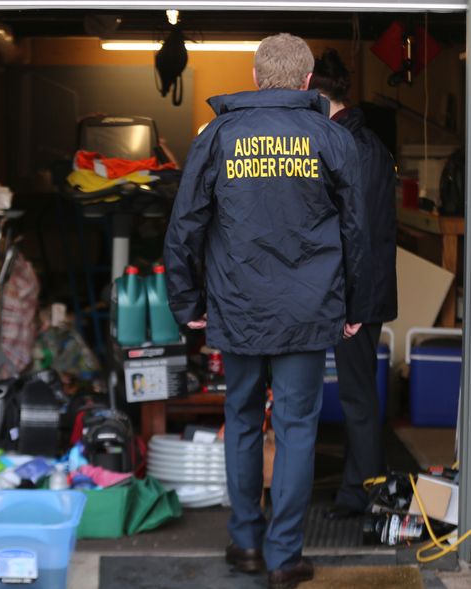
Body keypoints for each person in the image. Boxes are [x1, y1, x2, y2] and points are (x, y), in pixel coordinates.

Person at [164, 33, 370, 589]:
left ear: (256, 78)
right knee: (298, 427)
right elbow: (357, 229)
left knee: (243, 420)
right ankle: (284, 559)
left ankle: (246, 543)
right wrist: (356, 304)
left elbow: (184, 226)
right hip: (308, 309)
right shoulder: (330, 137)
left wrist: (188, 303)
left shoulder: (218, 136)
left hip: (238, 306)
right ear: (307, 82)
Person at [309, 49, 398, 519]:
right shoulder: (350, 141)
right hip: (354, 288)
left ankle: (370, 495)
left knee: (357, 396)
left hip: (359, 292)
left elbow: (358, 234)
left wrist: (350, 305)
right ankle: (356, 491)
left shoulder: (356, 149)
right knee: (355, 393)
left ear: (321, 98)